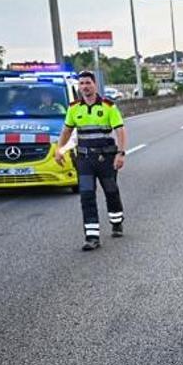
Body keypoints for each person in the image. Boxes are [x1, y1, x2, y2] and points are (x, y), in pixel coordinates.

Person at [54, 70, 127, 251]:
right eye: (82, 84)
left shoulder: (109, 107)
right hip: (85, 158)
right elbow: (67, 131)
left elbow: (120, 130)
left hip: (105, 158)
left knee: (111, 191)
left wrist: (121, 153)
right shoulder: (74, 108)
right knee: (86, 195)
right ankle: (92, 237)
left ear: (95, 85)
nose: (85, 87)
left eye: (88, 83)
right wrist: (59, 150)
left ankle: (117, 221)